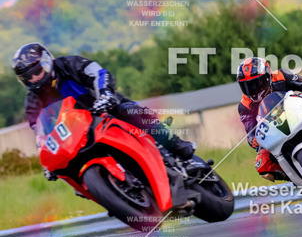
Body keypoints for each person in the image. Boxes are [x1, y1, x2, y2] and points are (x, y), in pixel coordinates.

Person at [12, 43, 195, 180]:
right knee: (69, 169)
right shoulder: (33, 101)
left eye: (36, 71)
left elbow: (98, 73)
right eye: (28, 77)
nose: (34, 78)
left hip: (106, 109)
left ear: (46, 62)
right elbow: (40, 134)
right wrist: (47, 162)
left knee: (130, 112)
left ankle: (179, 147)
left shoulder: (68, 64)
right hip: (78, 135)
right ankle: (115, 194)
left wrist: (105, 94)